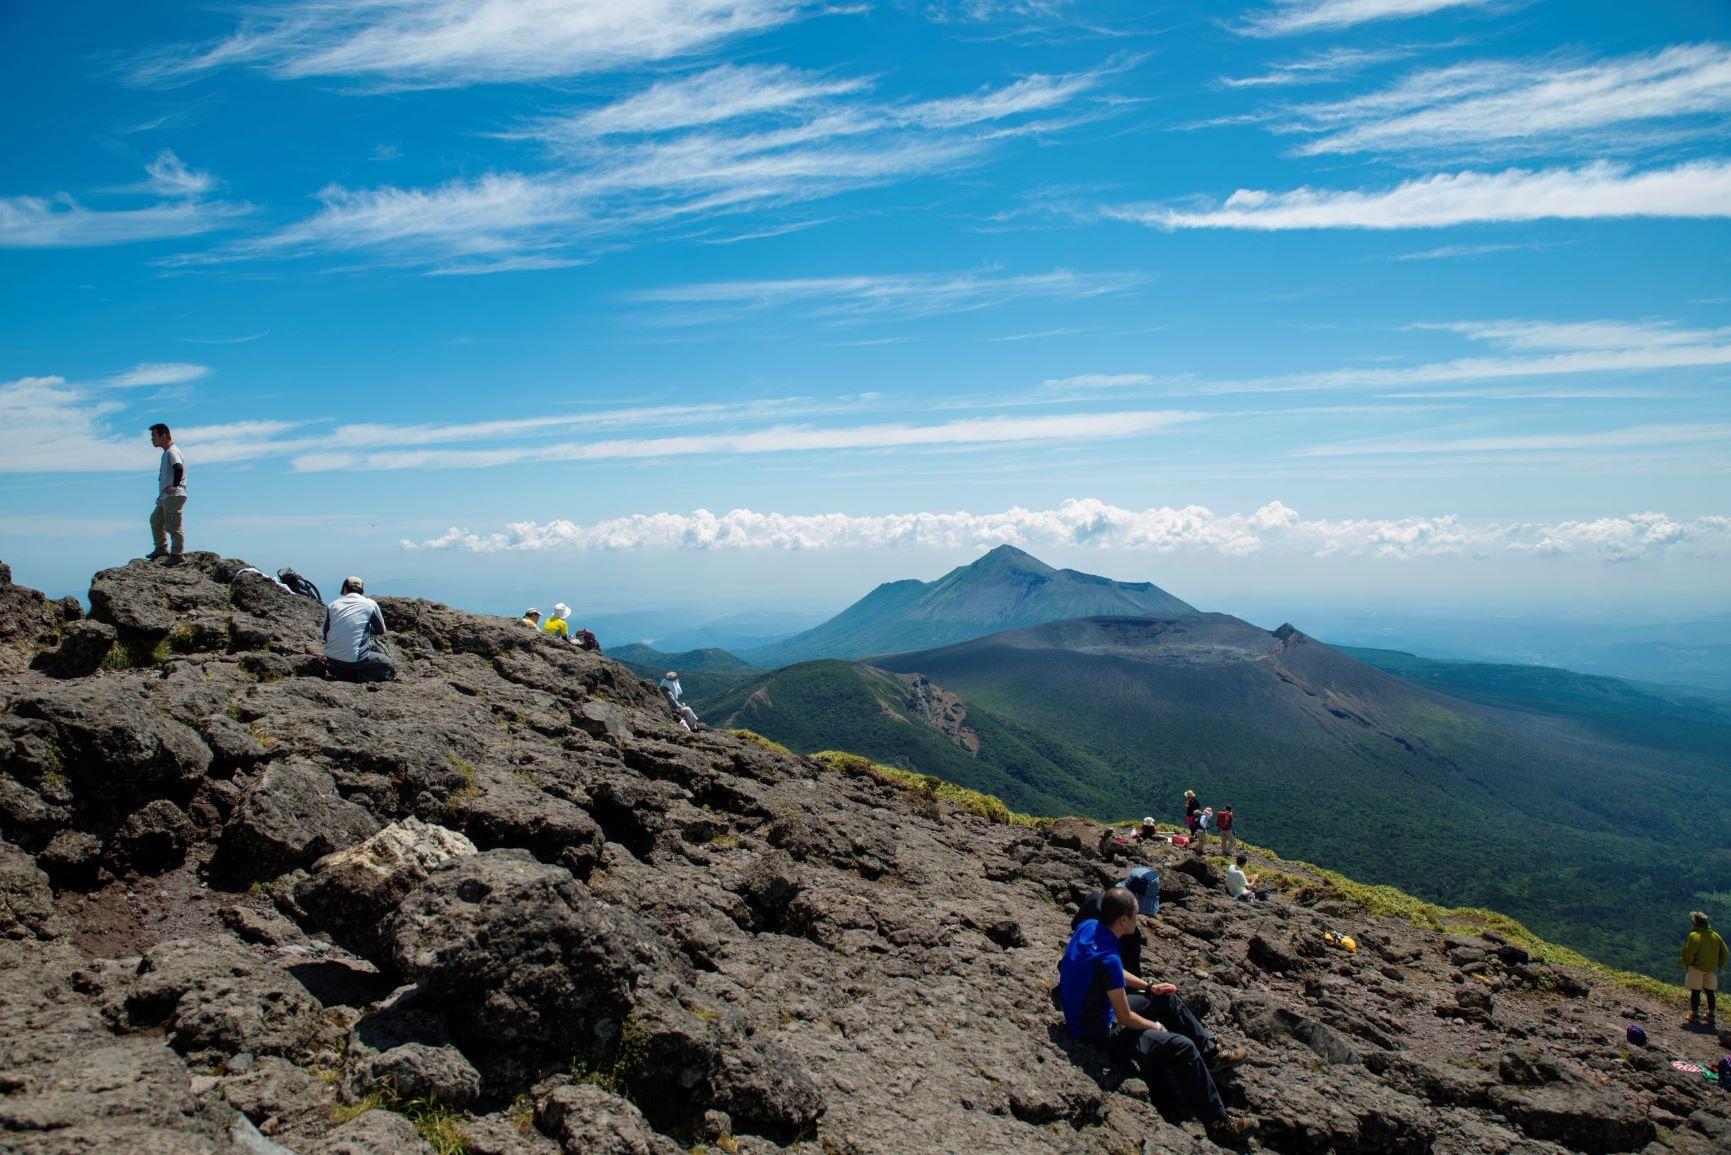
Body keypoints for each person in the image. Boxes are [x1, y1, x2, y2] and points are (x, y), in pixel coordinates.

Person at [1057, 887, 1251, 1140]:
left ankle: (1210, 1053)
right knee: (1182, 1047)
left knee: (1165, 998)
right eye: (1135, 915)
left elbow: (1110, 974)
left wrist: (1148, 987)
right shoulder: (1109, 956)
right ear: (1123, 920)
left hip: (1087, 1011)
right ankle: (1218, 1124)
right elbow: (1124, 1016)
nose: (1138, 919)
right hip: (1097, 1030)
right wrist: (1155, 1026)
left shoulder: (1091, 927)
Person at [1074, 868, 1160, 977]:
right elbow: (1131, 972)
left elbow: (1075, 924)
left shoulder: (1094, 900)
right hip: (1099, 983)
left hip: (1072, 966)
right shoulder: (1130, 934)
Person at [323, 576, 395, 683]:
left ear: (344, 589)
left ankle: (341, 671)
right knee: (388, 665)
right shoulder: (370, 604)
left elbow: (325, 633)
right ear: (362, 591)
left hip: (331, 658)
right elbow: (381, 630)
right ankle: (355, 677)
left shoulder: (332, 605)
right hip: (355, 659)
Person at [146, 423, 187, 561]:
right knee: (155, 520)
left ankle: (177, 554)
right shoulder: (166, 453)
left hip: (174, 495)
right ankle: (161, 548)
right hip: (166, 496)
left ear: (164, 436)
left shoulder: (172, 451)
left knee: (173, 525)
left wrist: (175, 485)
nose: (152, 439)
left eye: (154, 436)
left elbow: (179, 468)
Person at [1681, 911, 1729, 1027]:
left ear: (1696, 923)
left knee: (1695, 991)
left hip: (1697, 967)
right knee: (1710, 991)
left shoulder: (1694, 936)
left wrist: (1688, 962)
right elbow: (1725, 952)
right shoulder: (1715, 935)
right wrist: (1720, 963)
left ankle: (1694, 1014)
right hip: (1710, 968)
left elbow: (1689, 952)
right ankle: (1711, 1015)